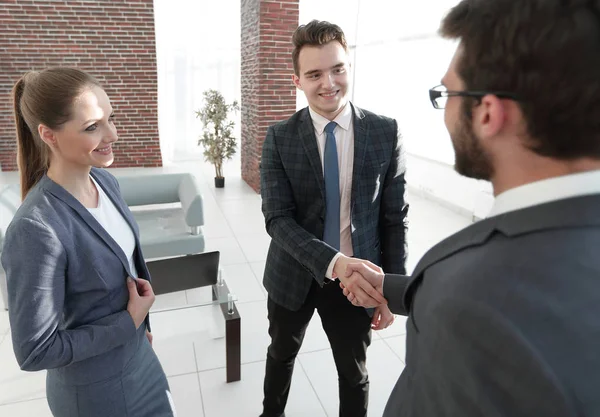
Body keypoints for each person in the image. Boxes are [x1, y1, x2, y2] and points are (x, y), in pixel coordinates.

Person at [342, 0, 600, 416]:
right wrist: (393, 286)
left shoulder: (468, 306)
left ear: (488, 113)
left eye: (445, 93)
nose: (444, 110)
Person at [1, 68, 176, 416]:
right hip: (98, 395)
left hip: (142, 362)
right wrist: (127, 324)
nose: (112, 134)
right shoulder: (36, 228)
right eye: (92, 127)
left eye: (110, 119)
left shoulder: (106, 183)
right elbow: (35, 350)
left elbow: (126, 271)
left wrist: (141, 332)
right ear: (48, 135)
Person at [259, 19, 409, 417]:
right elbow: (277, 218)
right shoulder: (279, 137)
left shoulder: (384, 132)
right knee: (281, 355)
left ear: (348, 65)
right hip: (293, 274)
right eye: (314, 74)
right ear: (298, 80)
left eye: (337, 68)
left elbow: (395, 219)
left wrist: (391, 290)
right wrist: (333, 263)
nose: (329, 83)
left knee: (353, 373)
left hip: (358, 281)